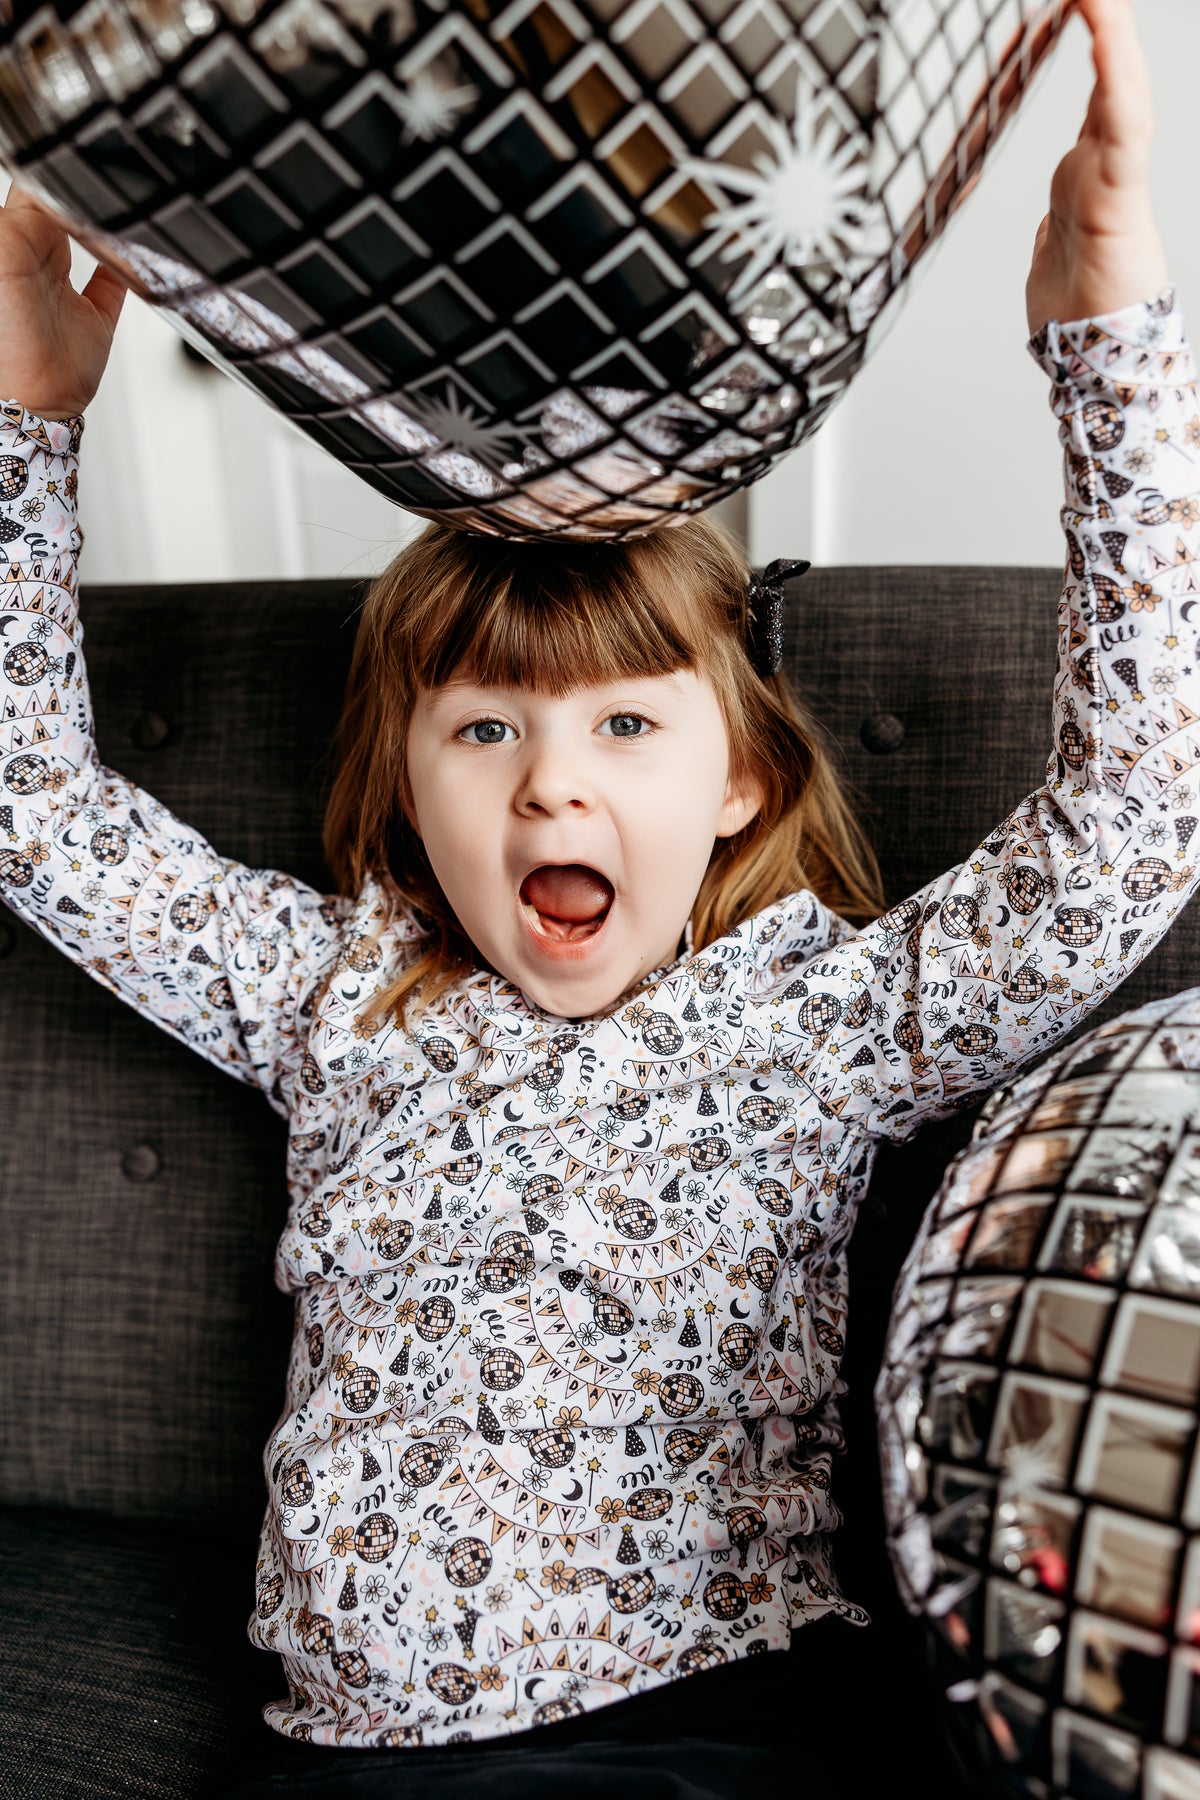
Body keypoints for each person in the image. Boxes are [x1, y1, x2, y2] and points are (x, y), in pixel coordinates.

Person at [0, 0, 1192, 1792]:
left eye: (627, 722)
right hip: (351, 1755)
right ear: (407, 787)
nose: (552, 780)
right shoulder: (335, 993)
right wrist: (25, 419)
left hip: (708, 1726)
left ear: (738, 787)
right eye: (482, 727)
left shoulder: (818, 1019)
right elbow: (30, 808)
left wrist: (1104, 340)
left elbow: (1133, 826)